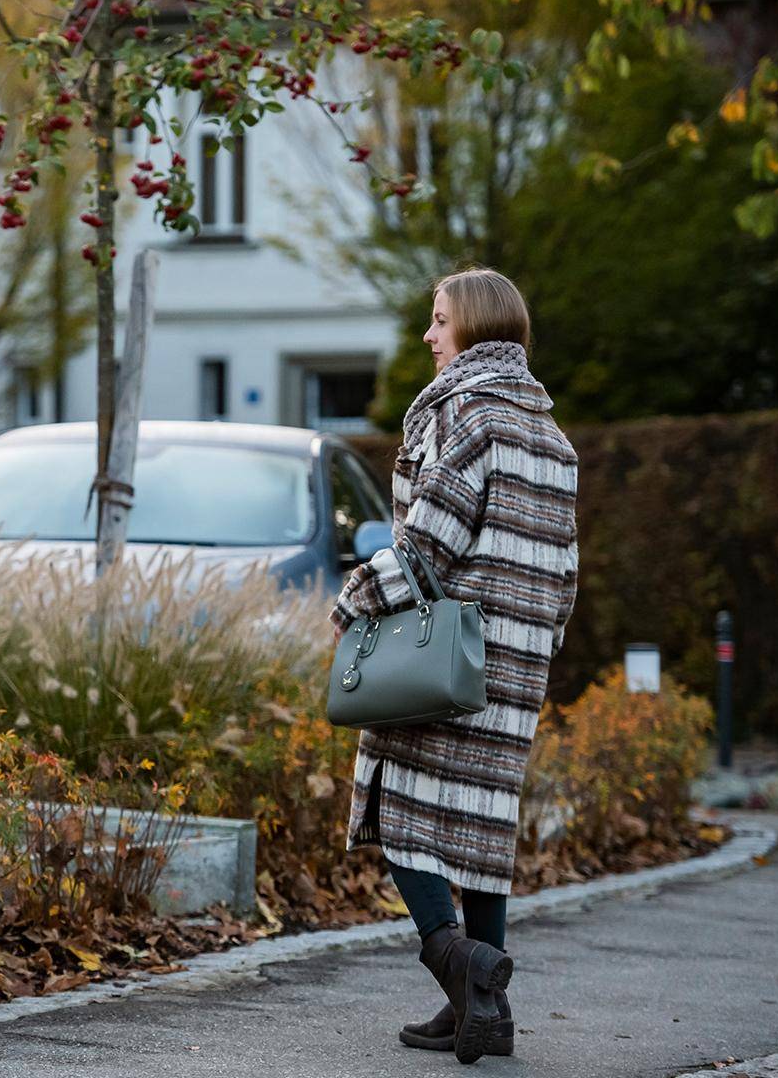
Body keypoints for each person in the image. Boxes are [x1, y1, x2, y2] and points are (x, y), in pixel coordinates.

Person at [329, 266, 579, 1065]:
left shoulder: (467, 416)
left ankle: (458, 960)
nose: (430, 336)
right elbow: (567, 574)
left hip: (445, 655)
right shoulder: (552, 435)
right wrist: (534, 647)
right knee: (483, 828)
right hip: (514, 662)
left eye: (439, 320)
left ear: (473, 325)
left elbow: (428, 541)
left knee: (398, 797)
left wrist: (353, 602)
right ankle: (486, 1011)